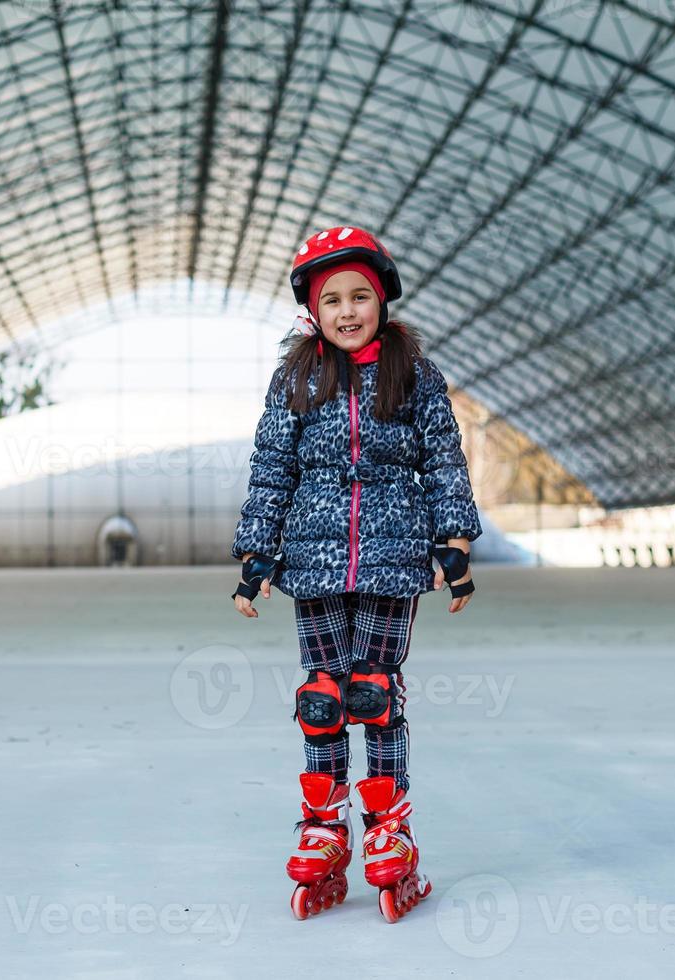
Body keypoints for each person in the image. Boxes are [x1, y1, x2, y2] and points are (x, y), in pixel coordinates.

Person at [228, 225, 482, 922]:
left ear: (383, 300)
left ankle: (389, 829)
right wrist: (257, 552)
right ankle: (323, 826)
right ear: (312, 310)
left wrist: (453, 542)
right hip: (312, 563)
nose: (347, 310)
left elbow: (444, 460)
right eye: (331, 298)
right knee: (323, 699)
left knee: (374, 693)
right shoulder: (296, 378)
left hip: (394, 559)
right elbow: (273, 468)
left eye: (360, 296)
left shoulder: (415, 375)